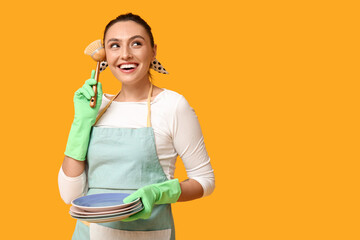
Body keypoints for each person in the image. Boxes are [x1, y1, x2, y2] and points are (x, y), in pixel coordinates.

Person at [58, 13, 215, 240]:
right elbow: (69, 195)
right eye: (115, 45)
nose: (125, 54)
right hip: (89, 235)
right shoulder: (95, 106)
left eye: (136, 43)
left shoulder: (173, 105)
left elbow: (205, 181)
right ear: (104, 55)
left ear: (153, 51)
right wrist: (81, 122)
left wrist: (160, 192)